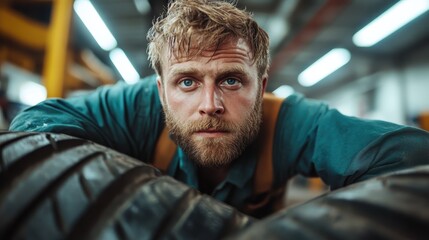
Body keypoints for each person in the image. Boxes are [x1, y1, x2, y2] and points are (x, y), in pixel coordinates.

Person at [9, 0, 429, 218]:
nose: (209, 105)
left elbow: (412, 160)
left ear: (261, 86)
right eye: (187, 82)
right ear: (160, 90)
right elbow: (31, 130)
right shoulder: (134, 107)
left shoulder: (289, 122)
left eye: (231, 80)